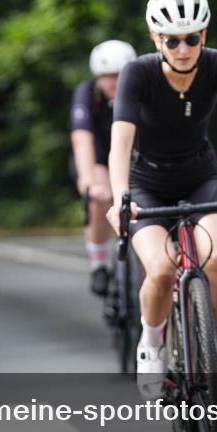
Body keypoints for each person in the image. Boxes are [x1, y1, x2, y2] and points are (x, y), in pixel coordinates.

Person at [106, 0, 217, 408]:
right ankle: (151, 348)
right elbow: (119, 144)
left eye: (192, 38)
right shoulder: (138, 73)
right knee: (163, 267)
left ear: (204, 36)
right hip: (147, 181)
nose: (183, 48)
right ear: (156, 40)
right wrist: (121, 198)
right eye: (172, 40)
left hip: (201, 175)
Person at [71, 39, 137, 296]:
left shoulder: (140, 90)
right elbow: (81, 137)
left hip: (134, 157)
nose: (111, 82)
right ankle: (99, 264)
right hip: (98, 159)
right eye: (105, 76)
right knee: (100, 196)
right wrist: (88, 181)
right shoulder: (86, 93)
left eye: (118, 76)